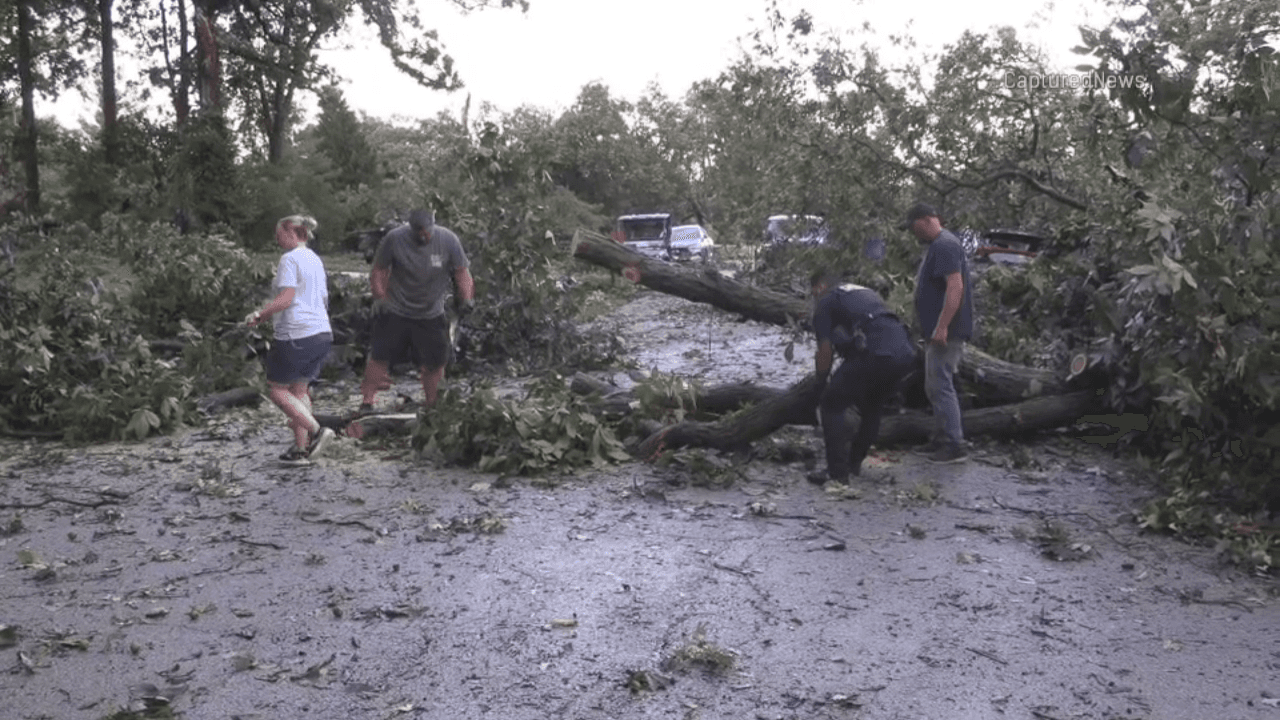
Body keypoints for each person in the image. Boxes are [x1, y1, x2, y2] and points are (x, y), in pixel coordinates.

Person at [358, 209, 474, 414]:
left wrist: (466, 297)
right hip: (397, 309)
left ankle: (433, 405)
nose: (423, 236)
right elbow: (379, 269)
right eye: (418, 232)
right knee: (378, 356)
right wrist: (379, 296)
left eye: (426, 231)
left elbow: (461, 272)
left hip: (431, 313)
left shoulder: (448, 240)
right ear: (410, 228)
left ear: (433, 225)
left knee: (435, 362)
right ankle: (367, 402)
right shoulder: (394, 239)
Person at [807, 271, 917, 485]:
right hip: (905, 352)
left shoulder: (825, 302)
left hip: (876, 352)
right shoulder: (862, 292)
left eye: (812, 292)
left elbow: (825, 351)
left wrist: (820, 383)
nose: (813, 297)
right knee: (872, 405)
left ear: (819, 287)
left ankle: (837, 474)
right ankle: (853, 464)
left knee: (831, 403)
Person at [245, 215, 336, 466]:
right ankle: (300, 449)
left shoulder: (289, 259)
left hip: (296, 333)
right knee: (299, 390)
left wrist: (260, 315)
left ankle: (318, 432)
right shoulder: (314, 259)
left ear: (292, 233)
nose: (276, 238)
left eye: (279, 233)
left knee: (276, 390)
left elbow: (286, 298)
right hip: (321, 333)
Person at [903, 202, 974, 464]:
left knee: (941, 385)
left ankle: (954, 444)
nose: (913, 234)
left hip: (948, 331)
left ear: (924, 220)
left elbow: (955, 288)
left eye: (913, 228)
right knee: (934, 385)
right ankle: (941, 438)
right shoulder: (939, 245)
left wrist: (943, 326)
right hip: (938, 329)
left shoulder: (945, 245)